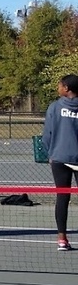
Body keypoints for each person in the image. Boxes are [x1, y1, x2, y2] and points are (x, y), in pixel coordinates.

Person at [42, 73, 78, 251]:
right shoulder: (55, 106)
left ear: (67, 89)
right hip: (67, 158)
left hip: (59, 158)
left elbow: (47, 134)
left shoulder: (54, 107)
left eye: (60, 85)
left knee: (62, 198)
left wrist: (51, 153)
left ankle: (61, 239)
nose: (58, 88)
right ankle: (62, 239)